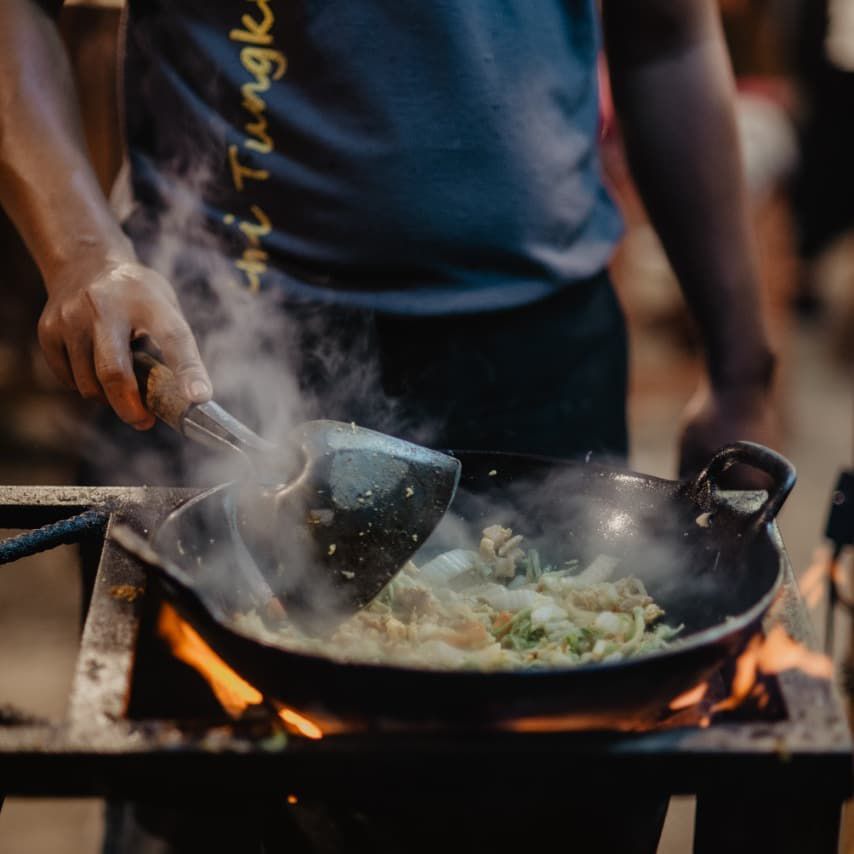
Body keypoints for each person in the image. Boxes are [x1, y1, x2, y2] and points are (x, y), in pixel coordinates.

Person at [0, 1, 778, 851]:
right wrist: (83, 250)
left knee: (544, 816)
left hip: (535, 358)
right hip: (207, 344)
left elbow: (662, 32)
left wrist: (741, 368)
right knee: (203, 818)